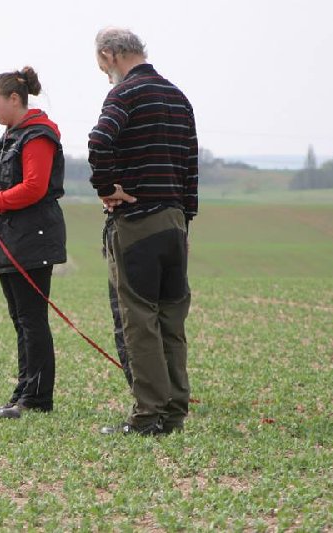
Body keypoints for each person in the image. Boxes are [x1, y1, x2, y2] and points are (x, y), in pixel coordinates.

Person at [88, 28, 198, 436]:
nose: (104, 73)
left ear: (111, 54)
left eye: (102, 65)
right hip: (174, 222)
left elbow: (98, 140)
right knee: (172, 318)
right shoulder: (177, 96)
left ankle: (148, 415)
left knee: (139, 320)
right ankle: (174, 412)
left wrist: (106, 188)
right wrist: (186, 219)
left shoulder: (124, 95)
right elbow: (190, 165)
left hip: (137, 223)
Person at [0, 66, 66, 419]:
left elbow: (34, 188)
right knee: (21, 319)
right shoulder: (11, 137)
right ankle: (22, 394)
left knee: (32, 320)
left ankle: (37, 399)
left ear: (14, 99)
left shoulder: (36, 136)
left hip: (31, 240)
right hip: (11, 239)